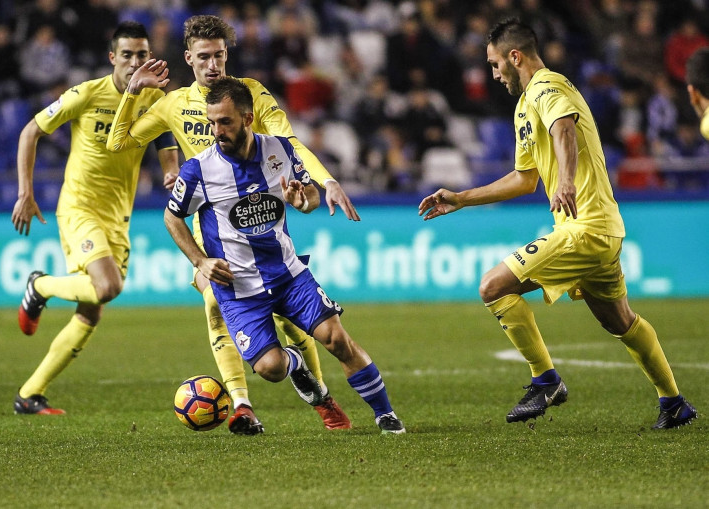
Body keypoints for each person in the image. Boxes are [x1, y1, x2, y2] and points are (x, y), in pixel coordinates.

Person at [419, 19, 697, 429]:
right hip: (601, 229)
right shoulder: (524, 106)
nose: (494, 74)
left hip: (584, 228)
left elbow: (563, 128)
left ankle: (545, 380)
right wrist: (462, 198)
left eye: (496, 65)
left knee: (493, 286)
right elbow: (524, 179)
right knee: (620, 320)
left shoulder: (549, 87)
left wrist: (565, 179)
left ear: (516, 57)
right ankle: (674, 404)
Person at [106, 15, 359, 435]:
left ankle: (319, 394)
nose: (213, 65)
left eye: (219, 55)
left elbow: (291, 143)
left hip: (264, 229)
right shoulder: (172, 104)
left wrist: (325, 180)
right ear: (189, 58)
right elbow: (119, 141)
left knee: (294, 325)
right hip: (216, 240)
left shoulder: (251, 96)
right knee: (214, 307)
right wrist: (133, 93)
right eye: (204, 57)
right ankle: (242, 405)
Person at [164, 77, 405, 434]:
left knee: (337, 339)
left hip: (288, 276)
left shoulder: (280, 150)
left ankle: (385, 414)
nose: (217, 131)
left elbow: (309, 197)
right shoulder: (199, 168)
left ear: (247, 119)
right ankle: (296, 365)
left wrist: (302, 201)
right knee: (271, 369)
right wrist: (200, 261)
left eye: (225, 122)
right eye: (212, 122)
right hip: (239, 288)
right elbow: (172, 216)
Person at [11, 21, 180, 415]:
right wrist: (25, 192)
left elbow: (165, 140)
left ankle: (30, 395)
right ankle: (41, 287)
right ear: (112, 58)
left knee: (91, 309)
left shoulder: (153, 98)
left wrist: (171, 170)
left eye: (142, 54)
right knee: (106, 287)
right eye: (127, 55)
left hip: (119, 217)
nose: (135, 62)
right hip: (79, 207)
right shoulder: (86, 93)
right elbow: (30, 132)